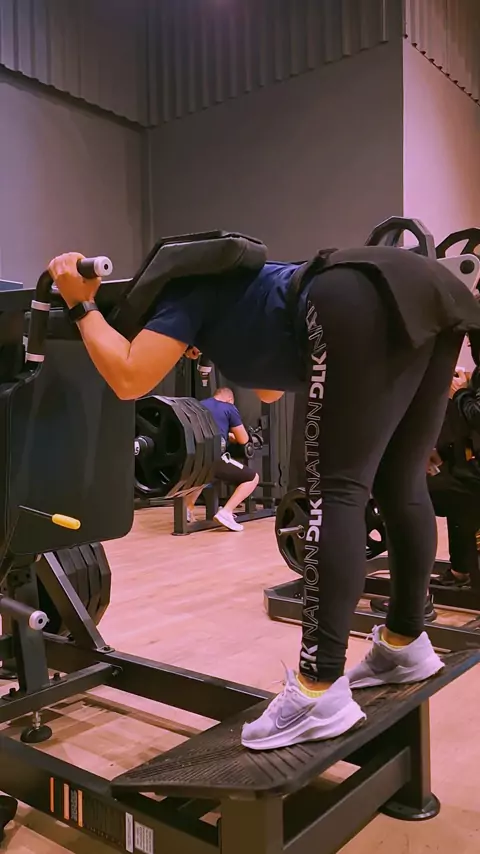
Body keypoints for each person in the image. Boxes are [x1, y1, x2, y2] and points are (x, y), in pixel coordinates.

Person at [48, 242, 480, 752]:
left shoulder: (180, 293)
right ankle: (404, 642)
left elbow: (128, 377)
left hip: (351, 296)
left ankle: (318, 689)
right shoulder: (231, 292)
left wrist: (80, 304)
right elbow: (272, 389)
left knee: (335, 491)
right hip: (429, 291)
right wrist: (212, 341)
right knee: (401, 479)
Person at [182, 383, 259, 532]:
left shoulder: (198, 405)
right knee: (253, 478)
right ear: (230, 399)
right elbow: (243, 439)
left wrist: (226, 435)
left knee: (203, 477)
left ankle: (187, 509)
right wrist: (233, 436)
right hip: (213, 457)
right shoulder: (229, 407)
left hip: (191, 457)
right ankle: (226, 512)